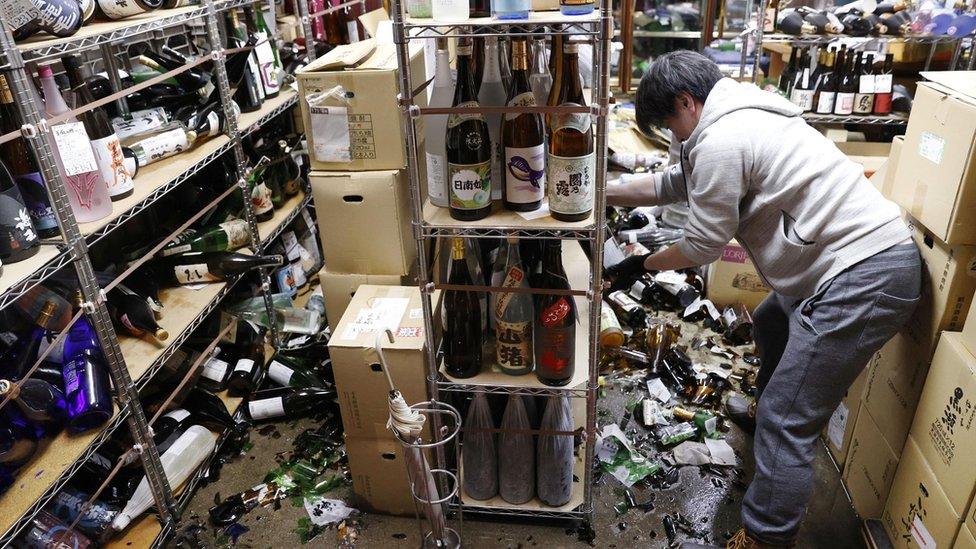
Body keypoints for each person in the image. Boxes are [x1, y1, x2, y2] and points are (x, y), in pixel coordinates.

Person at [606, 50, 921, 548]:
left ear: (687, 102)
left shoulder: (722, 138)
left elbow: (704, 245)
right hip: (844, 264)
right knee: (773, 320)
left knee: (787, 417)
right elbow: (674, 183)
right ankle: (769, 408)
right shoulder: (740, 111)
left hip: (864, 275)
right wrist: (605, 192)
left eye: (671, 125)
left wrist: (639, 264)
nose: (675, 138)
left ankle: (765, 538)